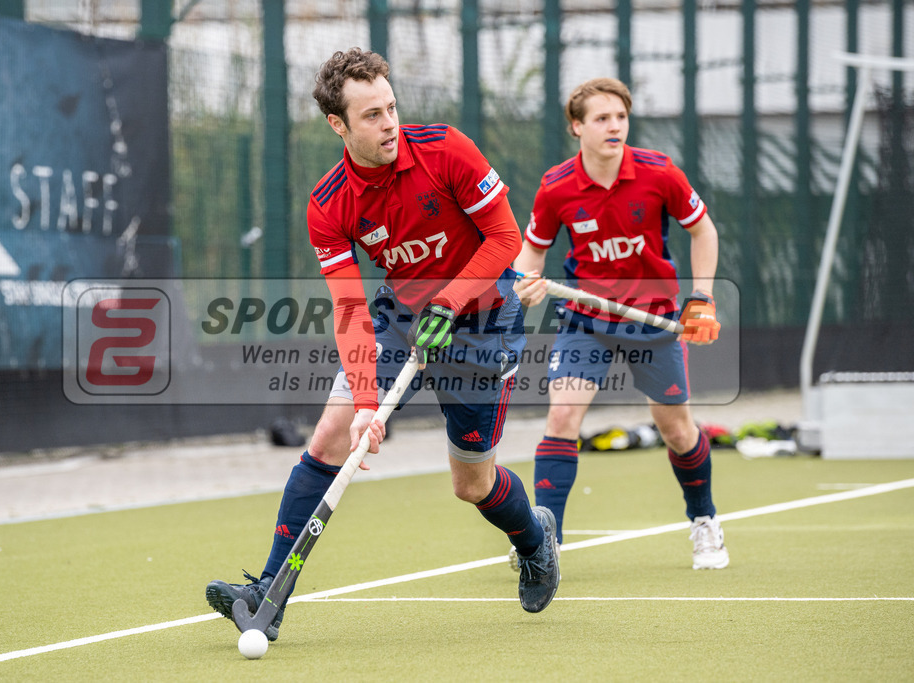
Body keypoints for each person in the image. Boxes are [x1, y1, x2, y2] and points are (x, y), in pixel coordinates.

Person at [206, 48, 560, 642]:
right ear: (338, 125)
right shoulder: (329, 203)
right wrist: (368, 406)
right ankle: (268, 590)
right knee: (332, 432)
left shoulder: (447, 149)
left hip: (482, 319)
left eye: (391, 107)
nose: (389, 123)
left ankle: (533, 538)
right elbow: (348, 308)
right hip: (401, 319)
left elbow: (503, 236)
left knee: (471, 483)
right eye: (371, 115)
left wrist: (449, 302)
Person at [510, 77, 728, 571]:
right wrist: (527, 281)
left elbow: (703, 230)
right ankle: (545, 544)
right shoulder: (557, 186)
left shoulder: (660, 173)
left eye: (621, 117)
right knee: (562, 418)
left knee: (675, 429)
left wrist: (702, 298)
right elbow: (533, 252)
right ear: (577, 127)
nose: (614, 127)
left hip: (654, 318)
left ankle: (704, 520)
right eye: (602, 118)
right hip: (586, 318)